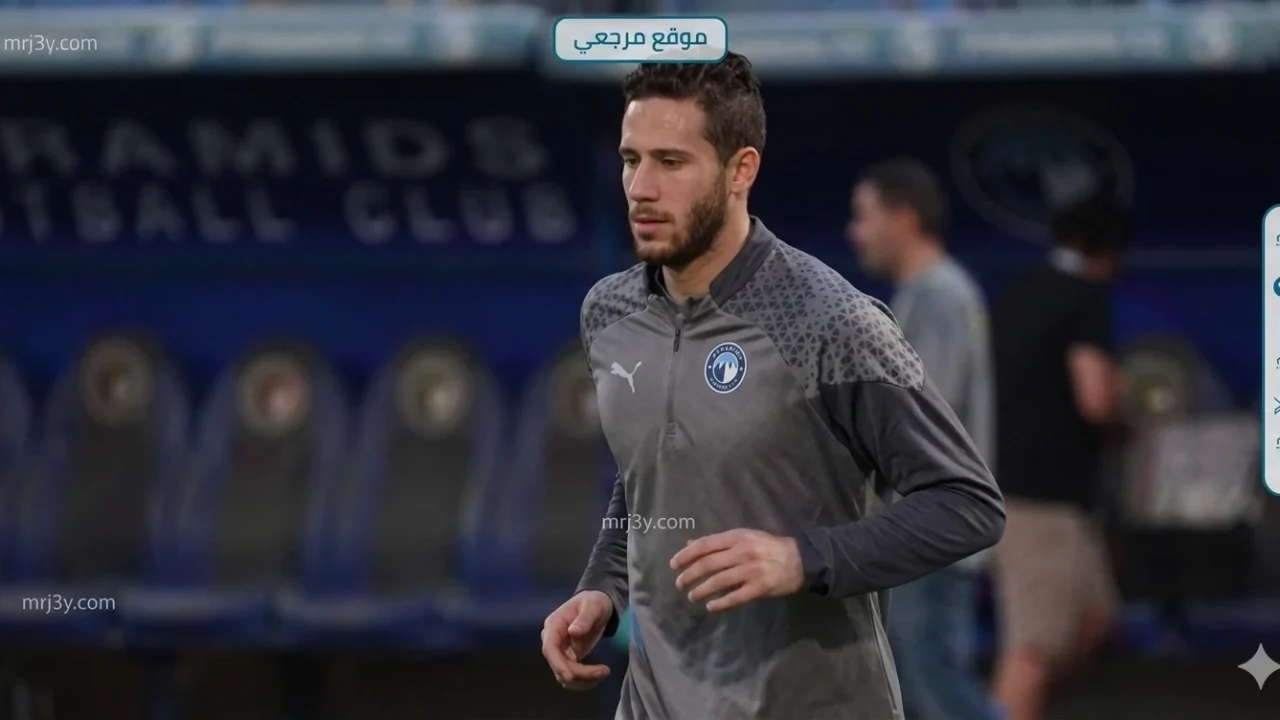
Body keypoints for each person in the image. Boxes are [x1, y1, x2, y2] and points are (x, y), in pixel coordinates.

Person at [538, 52, 1005, 719]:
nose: (641, 187)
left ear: (741, 170)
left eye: (671, 162)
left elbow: (967, 503)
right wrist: (603, 587)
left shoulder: (830, 319)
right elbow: (647, 477)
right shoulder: (607, 313)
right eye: (630, 159)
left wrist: (801, 559)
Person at [847, 157, 1000, 720]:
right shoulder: (924, 293)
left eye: (864, 215)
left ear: (904, 218)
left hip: (933, 530)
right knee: (919, 691)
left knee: (940, 692)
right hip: (920, 530)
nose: (855, 232)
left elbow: (923, 410)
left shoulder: (940, 294)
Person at [989, 194, 1130, 720]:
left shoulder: (1016, 292)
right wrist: (1123, 412)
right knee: (1032, 650)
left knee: (1094, 619)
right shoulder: (1085, 296)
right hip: (1040, 499)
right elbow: (1096, 399)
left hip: (1028, 493)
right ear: (1109, 252)